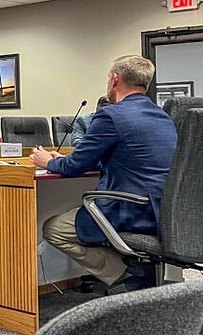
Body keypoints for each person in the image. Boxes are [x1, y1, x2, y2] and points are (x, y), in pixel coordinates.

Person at [31, 55, 177, 291]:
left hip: (131, 210)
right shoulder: (163, 117)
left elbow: (73, 167)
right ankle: (138, 272)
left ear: (115, 79)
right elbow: (132, 160)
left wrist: (48, 161)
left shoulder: (110, 116)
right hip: (164, 210)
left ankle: (122, 273)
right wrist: (70, 159)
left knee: (53, 229)